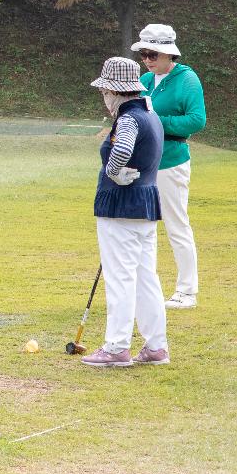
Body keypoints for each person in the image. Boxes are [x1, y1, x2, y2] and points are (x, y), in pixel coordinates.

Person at [82, 56, 169, 367]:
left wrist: (114, 171)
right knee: (146, 277)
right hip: (145, 206)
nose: (104, 98)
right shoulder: (151, 114)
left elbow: (121, 149)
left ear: (115, 92)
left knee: (120, 278)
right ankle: (156, 346)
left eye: (105, 92)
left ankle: (117, 347)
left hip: (121, 207)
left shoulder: (129, 118)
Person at [132, 23, 207, 309]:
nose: (148, 60)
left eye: (153, 54)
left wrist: (156, 123)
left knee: (176, 226)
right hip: (144, 162)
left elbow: (196, 120)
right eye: (144, 55)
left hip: (171, 162)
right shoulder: (147, 80)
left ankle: (187, 291)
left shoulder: (187, 79)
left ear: (168, 54)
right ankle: (144, 288)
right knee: (143, 226)